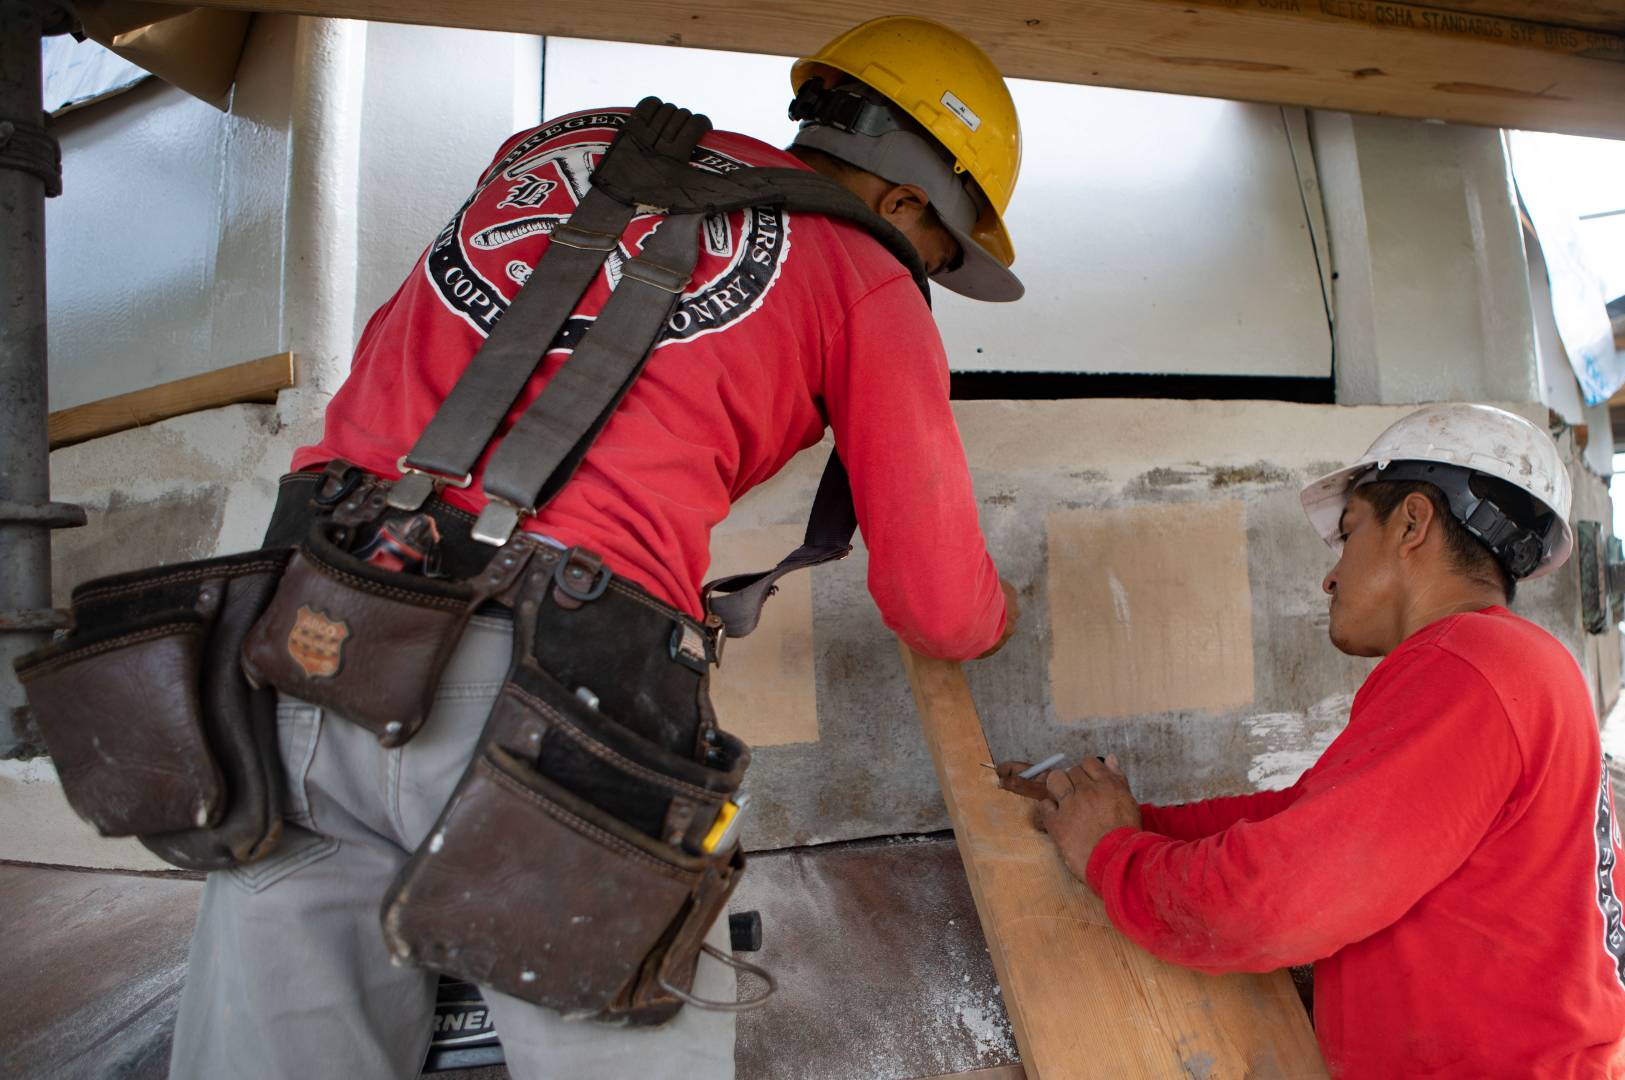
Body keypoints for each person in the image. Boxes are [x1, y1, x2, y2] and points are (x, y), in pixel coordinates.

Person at [170, 17, 1022, 1080]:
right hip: (558, 697)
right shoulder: (870, 275)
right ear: (906, 200)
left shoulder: (562, 147)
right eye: (940, 250)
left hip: (309, 631)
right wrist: (999, 617)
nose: (927, 272)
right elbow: (938, 603)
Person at [1004, 404, 1625, 1078]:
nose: (1330, 576)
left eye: (1347, 534)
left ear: (1412, 522)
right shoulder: (1512, 665)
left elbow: (1270, 903)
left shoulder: (1467, 666)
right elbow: (1306, 820)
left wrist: (1113, 857)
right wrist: (1124, 819)